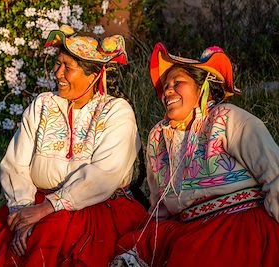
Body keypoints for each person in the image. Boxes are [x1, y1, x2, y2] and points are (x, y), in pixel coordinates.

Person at [0, 25, 148, 267]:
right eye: (58, 64)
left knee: (50, 242)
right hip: (34, 202)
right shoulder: (42, 104)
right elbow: (16, 163)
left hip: (95, 209)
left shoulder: (116, 111)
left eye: (68, 68)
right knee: (2, 239)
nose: (58, 73)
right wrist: (23, 211)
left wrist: (48, 208)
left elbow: (105, 174)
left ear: (94, 75)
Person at [112, 43, 279, 267]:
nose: (168, 91)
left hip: (239, 228)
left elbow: (274, 174)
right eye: (165, 86)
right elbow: (159, 204)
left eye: (177, 83)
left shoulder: (227, 118)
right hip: (190, 230)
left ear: (202, 88)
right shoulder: (158, 137)